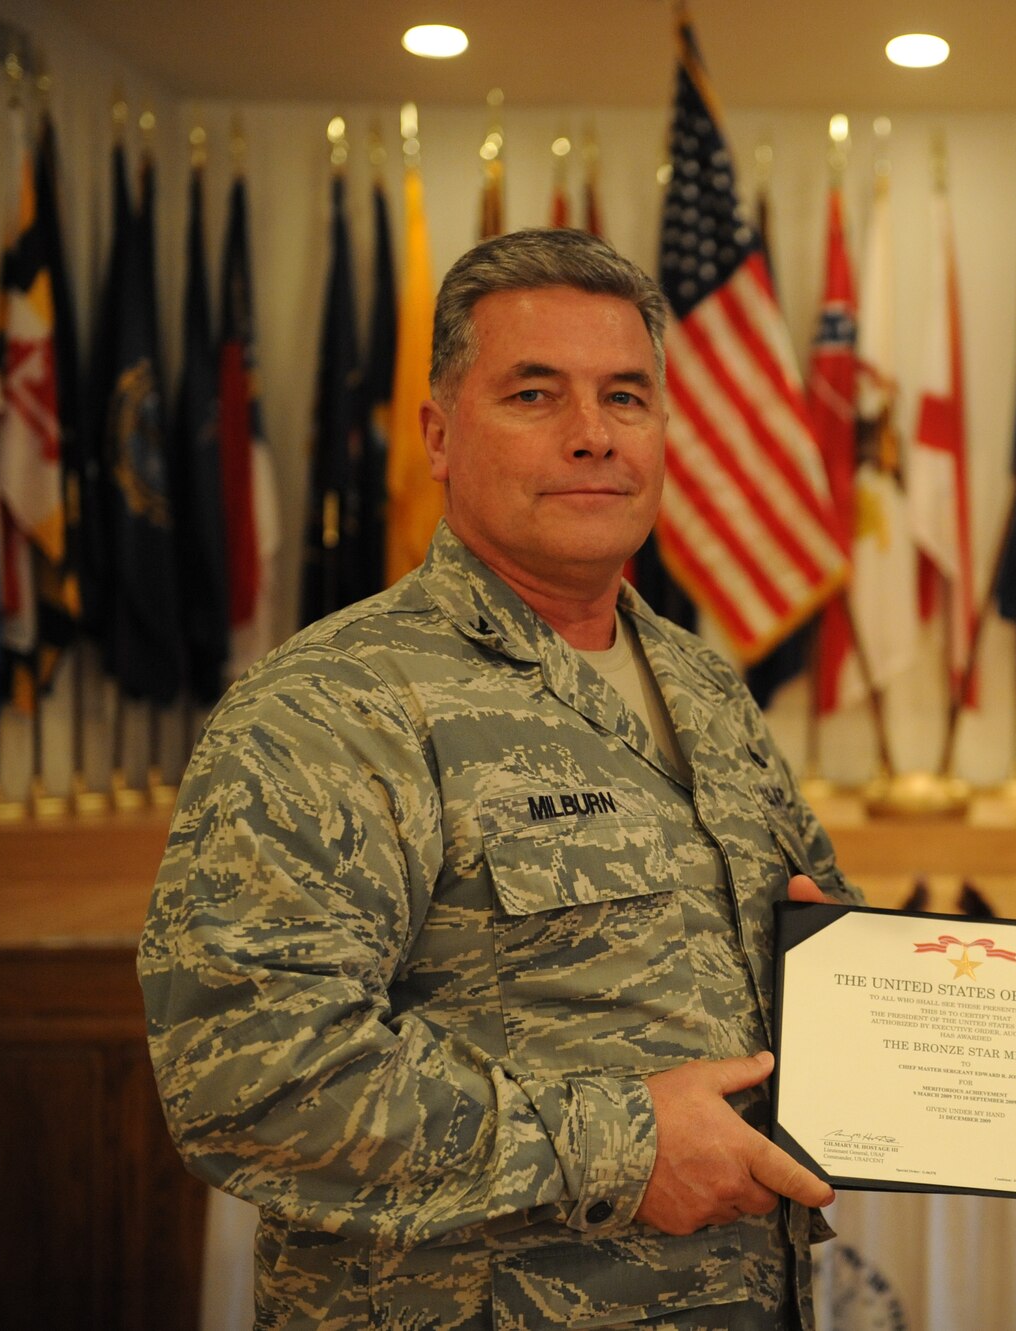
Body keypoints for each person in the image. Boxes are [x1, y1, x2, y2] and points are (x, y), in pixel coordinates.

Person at [139, 228, 853, 1330]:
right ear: (436, 433)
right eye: (533, 394)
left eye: (626, 397)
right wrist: (618, 1145)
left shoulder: (701, 683)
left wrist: (990, 986)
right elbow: (246, 1085)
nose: (590, 436)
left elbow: (811, 938)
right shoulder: (334, 706)